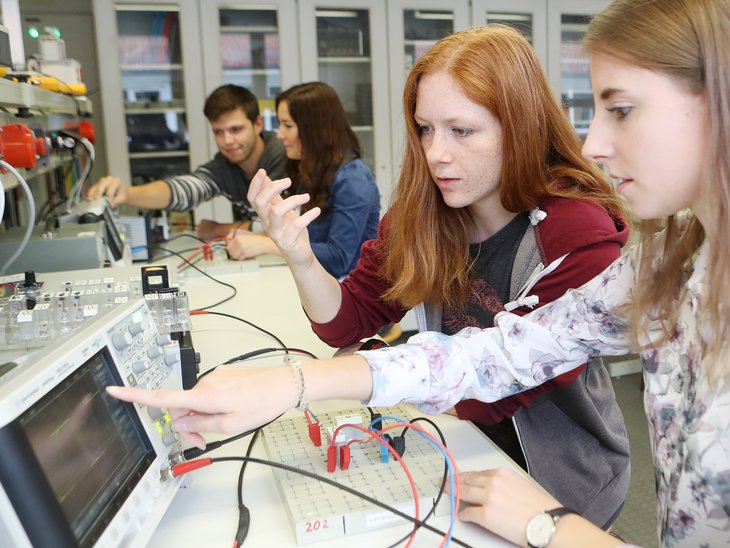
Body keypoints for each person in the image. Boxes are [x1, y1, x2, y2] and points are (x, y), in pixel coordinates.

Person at [114, 27, 631, 529]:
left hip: (556, 477)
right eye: (425, 129)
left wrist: (317, 378)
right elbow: (348, 321)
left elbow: (497, 377)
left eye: (462, 131)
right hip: (456, 438)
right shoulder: (430, 209)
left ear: (521, 125)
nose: (436, 154)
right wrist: (298, 257)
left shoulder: (577, 231)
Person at [86, 84, 286, 240]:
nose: (227, 141)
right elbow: (184, 190)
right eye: (218, 132)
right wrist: (127, 193)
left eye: (236, 130)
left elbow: (281, 227)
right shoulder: (224, 166)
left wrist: (218, 229)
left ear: (258, 124)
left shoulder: (283, 156)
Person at [225, 82, 381, 279]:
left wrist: (265, 244)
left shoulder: (352, 178)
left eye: (288, 125)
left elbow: (338, 259)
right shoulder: (309, 168)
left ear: (316, 128)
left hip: (349, 291)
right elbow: (306, 240)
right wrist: (259, 238)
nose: (279, 135)